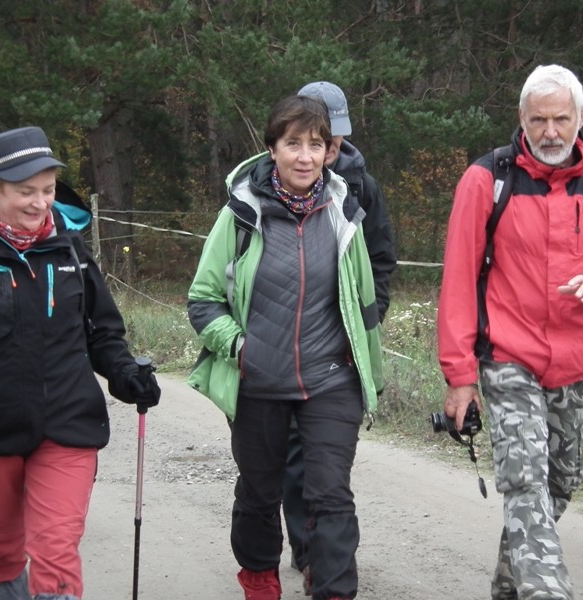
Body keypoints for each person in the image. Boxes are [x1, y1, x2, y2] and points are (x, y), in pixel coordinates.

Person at [437, 64, 583, 600]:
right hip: (508, 355)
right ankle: (547, 590)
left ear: (581, 117)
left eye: (561, 119)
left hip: (579, 359)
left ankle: (508, 585)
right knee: (524, 477)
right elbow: (459, 280)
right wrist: (460, 376)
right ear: (521, 118)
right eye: (539, 120)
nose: (550, 132)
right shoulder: (486, 179)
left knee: (559, 483)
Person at [0, 126, 161, 600]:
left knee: (56, 553)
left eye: (48, 190)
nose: (40, 203)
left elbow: (103, 331)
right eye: (26, 191)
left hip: (66, 425)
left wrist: (125, 373)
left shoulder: (71, 250)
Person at [188, 95, 383, 600]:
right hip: (258, 380)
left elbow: (363, 302)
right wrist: (241, 350)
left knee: (331, 495)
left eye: (315, 144)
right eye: (293, 143)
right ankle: (259, 580)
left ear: (327, 151)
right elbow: (204, 299)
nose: (304, 156)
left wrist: (369, 372)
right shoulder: (240, 214)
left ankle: (333, 591)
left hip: (330, 379)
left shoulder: (344, 211)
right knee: (259, 492)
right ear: (272, 149)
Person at [283, 80, 396, 580]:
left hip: (341, 349)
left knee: (329, 461)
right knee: (292, 457)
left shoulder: (363, 186)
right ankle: (306, 549)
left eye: (334, 136)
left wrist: (368, 322)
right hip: (283, 349)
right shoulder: (272, 181)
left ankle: (326, 562)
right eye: (319, 134)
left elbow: (382, 257)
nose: (328, 146)